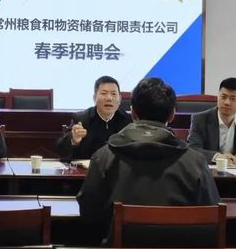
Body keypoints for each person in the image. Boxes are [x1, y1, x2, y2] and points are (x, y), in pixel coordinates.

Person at [77, 77, 219, 241]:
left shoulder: (103, 157)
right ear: (172, 115)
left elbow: (89, 214)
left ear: (133, 113)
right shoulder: (196, 161)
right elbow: (212, 215)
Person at [187, 77, 236, 166]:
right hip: (210, 171)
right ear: (218, 97)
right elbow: (192, 149)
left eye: (233, 98)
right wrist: (217, 157)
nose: (227, 102)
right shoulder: (200, 119)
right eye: (223, 97)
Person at [56, 75, 131, 160]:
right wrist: (74, 140)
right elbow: (60, 149)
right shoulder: (81, 119)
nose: (109, 98)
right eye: (104, 93)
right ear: (94, 98)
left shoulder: (128, 121)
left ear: (120, 99)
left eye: (114, 94)